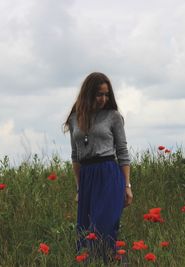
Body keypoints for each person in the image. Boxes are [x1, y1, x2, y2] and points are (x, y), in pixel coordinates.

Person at [63, 72, 133, 262]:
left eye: (106, 95)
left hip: (109, 175)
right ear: (88, 94)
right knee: (86, 233)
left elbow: (123, 153)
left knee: (103, 229)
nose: (103, 99)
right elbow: (75, 156)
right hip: (87, 178)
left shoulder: (113, 117)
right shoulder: (74, 119)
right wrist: (79, 188)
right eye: (99, 94)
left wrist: (127, 186)